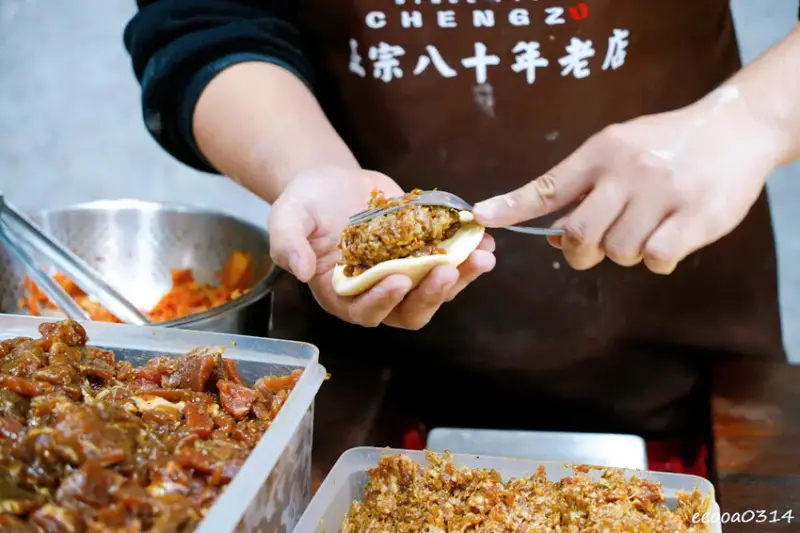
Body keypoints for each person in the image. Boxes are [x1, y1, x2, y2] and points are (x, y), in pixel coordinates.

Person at [124, 1, 795, 475]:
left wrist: (754, 119)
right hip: (359, 379)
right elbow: (205, 18)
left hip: (681, 352)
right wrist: (307, 165)